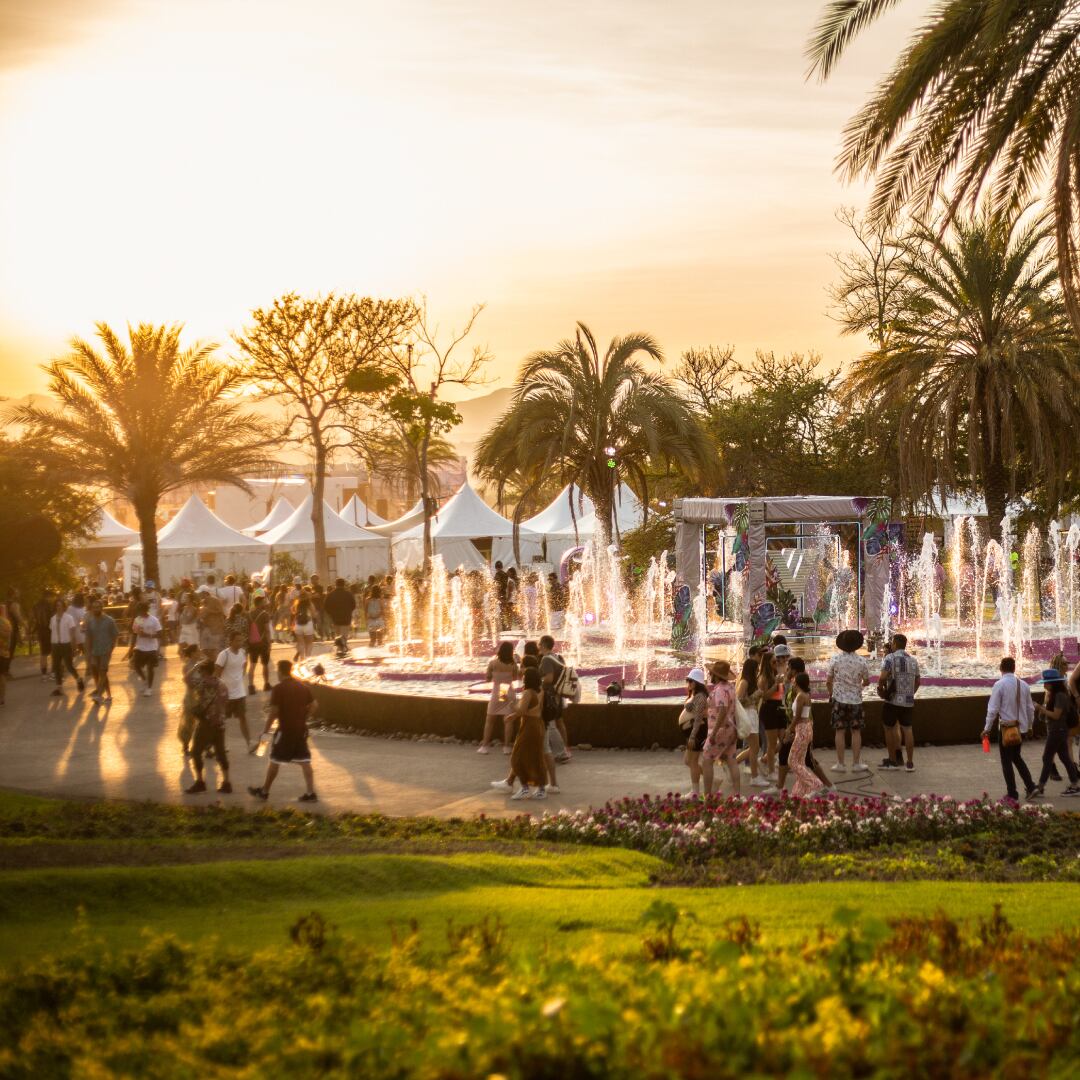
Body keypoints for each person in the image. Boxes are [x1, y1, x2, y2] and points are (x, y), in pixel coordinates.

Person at [249, 660, 318, 802]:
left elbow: (274, 712)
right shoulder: (302, 687)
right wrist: (304, 717)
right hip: (300, 729)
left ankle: (264, 791)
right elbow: (315, 705)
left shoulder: (279, 689)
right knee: (305, 761)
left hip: (285, 730)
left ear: (280, 671)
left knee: (275, 760)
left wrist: (265, 732)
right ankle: (311, 793)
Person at [983, 657, 1036, 802]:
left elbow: (992, 709)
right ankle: (1031, 786)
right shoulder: (1023, 685)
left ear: (1001, 668)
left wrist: (987, 729)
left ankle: (1012, 794)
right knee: (1016, 757)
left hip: (1007, 729)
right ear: (1014, 668)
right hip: (1021, 729)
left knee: (1007, 761)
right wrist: (1030, 726)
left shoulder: (999, 685)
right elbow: (1030, 709)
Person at [491, 667, 547, 800]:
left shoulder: (528, 693)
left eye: (524, 676)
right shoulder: (540, 691)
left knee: (517, 757)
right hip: (538, 725)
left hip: (529, 727)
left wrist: (509, 701)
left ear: (527, 679)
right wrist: (513, 716)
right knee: (536, 757)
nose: (522, 678)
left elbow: (521, 710)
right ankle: (541, 789)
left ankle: (525, 788)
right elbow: (533, 710)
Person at [184, 658, 231, 795]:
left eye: (200, 670)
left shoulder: (203, 683)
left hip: (206, 723)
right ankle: (226, 782)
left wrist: (196, 664)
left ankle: (200, 782)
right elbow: (226, 702)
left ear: (204, 671)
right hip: (220, 723)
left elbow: (186, 679)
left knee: (196, 752)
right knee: (221, 753)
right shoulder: (222, 684)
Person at [1031, 668, 1080, 798]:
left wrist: (1040, 708)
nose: (1044, 685)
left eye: (1046, 683)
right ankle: (1075, 784)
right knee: (1065, 758)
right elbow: (1048, 715)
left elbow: (1056, 715)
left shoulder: (1060, 696)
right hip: (1057, 730)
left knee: (1047, 758)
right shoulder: (1054, 695)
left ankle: (1040, 786)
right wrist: (1042, 710)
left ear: (1052, 683)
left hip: (1057, 731)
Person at [826, 629, 870, 772]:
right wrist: (860, 686)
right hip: (856, 700)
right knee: (856, 731)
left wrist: (831, 693)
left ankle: (840, 764)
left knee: (839, 731)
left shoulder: (835, 659)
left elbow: (829, 680)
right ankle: (856, 764)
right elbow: (867, 680)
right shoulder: (862, 661)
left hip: (839, 699)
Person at [879, 633, 921, 771]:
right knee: (908, 730)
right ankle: (910, 763)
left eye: (892, 643)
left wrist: (881, 688)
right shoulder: (913, 660)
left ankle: (892, 761)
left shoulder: (890, 658)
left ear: (895, 644)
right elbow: (918, 681)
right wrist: (911, 693)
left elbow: (883, 676)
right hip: (908, 701)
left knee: (889, 728)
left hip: (892, 701)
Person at [702, 660, 740, 796]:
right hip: (731, 729)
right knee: (731, 760)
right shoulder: (730, 687)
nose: (710, 674)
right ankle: (737, 795)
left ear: (717, 675)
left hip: (719, 730)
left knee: (706, 760)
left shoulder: (719, 690)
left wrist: (713, 734)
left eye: (711, 673)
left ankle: (707, 795)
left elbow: (722, 711)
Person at [215, 629, 254, 753]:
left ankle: (249, 744)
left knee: (243, 718)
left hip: (240, 693)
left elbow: (244, 665)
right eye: (237, 640)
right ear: (230, 641)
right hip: (226, 695)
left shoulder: (243, 652)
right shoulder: (223, 655)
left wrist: (240, 678)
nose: (240, 642)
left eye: (241, 640)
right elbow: (216, 674)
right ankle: (219, 745)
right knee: (222, 722)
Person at [788, 671, 824, 797]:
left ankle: (816, 783)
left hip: (802, 729)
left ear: (796, 682)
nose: (792, 681)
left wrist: (789, 730)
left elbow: (797, 716)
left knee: (792, 761)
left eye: (793, 680)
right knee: (800, 762)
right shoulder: (805, 695)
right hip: (805, 728)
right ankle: (799, 792)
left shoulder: (801, 696)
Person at [735, 654, 768, 787]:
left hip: (752, 714)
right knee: (754, 747)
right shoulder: (744, 682)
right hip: (747, 715)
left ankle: (732, 763)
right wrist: (756, 695)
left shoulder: (749, 682)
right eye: (756, 669)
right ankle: (754, 776)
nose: (758, 671)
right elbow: (738, 701)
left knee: (754, 747)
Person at [480, 641, 519, 754]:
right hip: (508, 690)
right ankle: (506, 747)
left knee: (490, 719)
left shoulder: (493, 663)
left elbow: (487, 678)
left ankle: (485, 746)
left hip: (497, 691)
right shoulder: (513, 664)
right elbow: (515, 678)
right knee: (508, 720)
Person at [679, 667, 710, 798]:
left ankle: (695, 791)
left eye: (691, 681)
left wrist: (692, 736)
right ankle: (712, 780)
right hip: (693, 731)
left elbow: (698, 718)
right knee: (688, 760)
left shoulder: (701, 697)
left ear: (697, 682)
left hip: (696, 732)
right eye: (688, 681)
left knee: (692, 761)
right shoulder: (695, 695)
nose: (689, 683)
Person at [758, 649, 787, 777]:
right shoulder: (763, 678)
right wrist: (776, 684)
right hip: (769, 708)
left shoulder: (777, 674)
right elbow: (764, 696)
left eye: (777, 661)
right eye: (774, 662)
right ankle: (771, 771)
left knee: (784, 740)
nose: (777, 663)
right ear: (768, 663)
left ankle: (764, 759)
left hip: (779, 707)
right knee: (772, 743)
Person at [84, 598, 119, 703]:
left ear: (102, 608)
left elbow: (115, 634)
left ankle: (98, 694)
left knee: (103, 671)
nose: (96, 609)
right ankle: (108, 694)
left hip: (105, 651)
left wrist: (111, 648)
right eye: (94, 607)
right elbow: (88, 638)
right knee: (96, 673)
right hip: (95, 651)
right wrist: (88, 653)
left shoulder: (109, 620)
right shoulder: (90, 622)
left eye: (98, 607)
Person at [48, 598, 82, 696]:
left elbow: (72, 633)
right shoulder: (53, 618)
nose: (58, 607)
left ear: (64, 606)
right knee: (56, 666)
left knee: (69, 665)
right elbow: (52, 631)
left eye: (60, 605)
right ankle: (59, 688)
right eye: (57, 605)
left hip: (65, 644)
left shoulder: (69, 618)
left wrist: (74, 646)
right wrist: (52, 644)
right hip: (55, 644)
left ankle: (78, 679)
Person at [130, 601, 161, 697]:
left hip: (151, 647)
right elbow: (135, 634)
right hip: (140, 647)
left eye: (139, 610)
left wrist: (147, 635)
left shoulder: (154, 620)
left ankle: (149, 688)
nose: (138, 612)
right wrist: (131, 647)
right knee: (136, 666)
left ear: (145, 610)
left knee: (150, 668)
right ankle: (144, 680)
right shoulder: (137, 619)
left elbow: (160, 634)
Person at [246, 595, 273, 693]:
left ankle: (251, 686)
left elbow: (247, 629)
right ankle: (266, 684)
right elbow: (267, 630)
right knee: (265, 664)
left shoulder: (248, 614)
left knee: (252, 664)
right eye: (263, 601)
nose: (265, 603)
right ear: (260, 603)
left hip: (252, 643)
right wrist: (270, 644)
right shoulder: (264, 614)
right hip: (263, 643)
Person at [325, 578, 356, 655]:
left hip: (335, 618)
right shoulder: (349, 594)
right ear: (344, 584)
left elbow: (326, 606)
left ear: (336, 584)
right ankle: (343, 650)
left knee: (338, 636)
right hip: (346, 618)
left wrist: (331, 614)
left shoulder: (331, 595)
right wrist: (348, 611)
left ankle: (340, 650)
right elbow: (353, 605)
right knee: (344, 636)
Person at [32, 591, 53, 680]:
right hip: (49, 631)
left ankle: (43, 674)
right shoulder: (49, 606)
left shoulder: (36, 606)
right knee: (53, 653)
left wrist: (33, 631)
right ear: (48, 596)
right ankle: (53, 673)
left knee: (43, 654)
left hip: (40, 631)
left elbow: (33, 619)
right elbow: (51, 619)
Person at [0, 602, 11, 707]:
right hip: (4, 653)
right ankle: (2, 698)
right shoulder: (7, 623)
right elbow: (9, 638)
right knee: (2, 675)